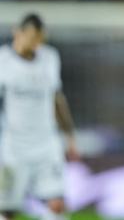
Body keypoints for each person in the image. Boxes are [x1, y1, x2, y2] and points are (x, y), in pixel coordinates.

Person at [0, 14, 80, 220]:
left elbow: (56, 98)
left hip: (47, 145)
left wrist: (70, 136)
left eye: (40, 40)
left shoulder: (50, 58)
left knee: (57, 204)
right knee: (7, 210)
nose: (37, 45)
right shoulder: (3, 61)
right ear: (18, 34)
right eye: (33, 39)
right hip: (13, 148)